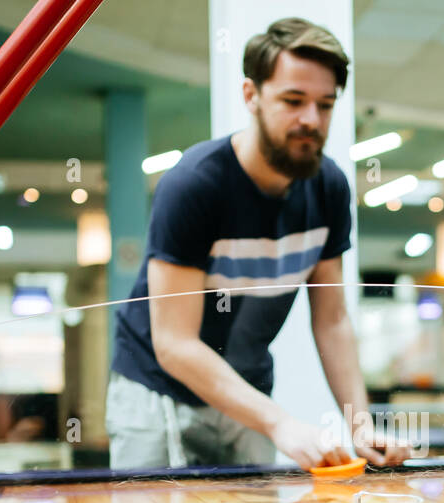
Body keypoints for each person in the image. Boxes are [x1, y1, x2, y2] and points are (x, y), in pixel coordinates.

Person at [106, 17, 410, 471]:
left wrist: (360, 425)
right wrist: (281, 424)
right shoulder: (194, 186)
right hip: (157, 391)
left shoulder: (329, 188)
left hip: (248, 390)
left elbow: (332, 321)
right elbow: (174, 343)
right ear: (251, 95)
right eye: (293, 100)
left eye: (325, 105)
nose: (311, 119)